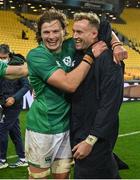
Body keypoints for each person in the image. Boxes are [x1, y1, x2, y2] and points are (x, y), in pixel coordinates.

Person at [25, 9, 127, 179]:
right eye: (46, 32)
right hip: (43, 127)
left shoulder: (71, 45)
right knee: (38, 177)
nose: (51, 36)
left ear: (63, 32)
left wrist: (116, 43)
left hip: (66, 128)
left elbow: (103, 25)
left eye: (56, 31)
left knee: (63, 176)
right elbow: (69, 84)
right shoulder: (37, 55)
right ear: (39, 34)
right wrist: (90, 55)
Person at [70, 12, 124, 179]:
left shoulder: (109, 59)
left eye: (79, 32)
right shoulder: (81, 53)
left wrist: (90, 140)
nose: (74, 36)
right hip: (81, 132)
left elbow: (110, 104)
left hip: (94, 138)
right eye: (73, 31)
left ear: (94, 34)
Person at [0, 44, 30, 169]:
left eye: (3, 57)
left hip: (14, 104)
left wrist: (14, 98)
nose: (1, 59)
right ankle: (22, 158)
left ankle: (2, 160)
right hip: (3, 102)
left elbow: (26, 86)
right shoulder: (1, 67)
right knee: (14, 131)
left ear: (8, 55)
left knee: (2, 129)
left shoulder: (18, 65)